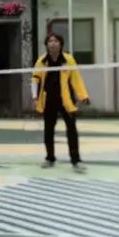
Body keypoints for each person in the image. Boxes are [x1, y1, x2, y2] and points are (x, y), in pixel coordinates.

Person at [31, 33, 90, 171]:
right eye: (50, 41)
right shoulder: (41, 61)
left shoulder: (68, 60)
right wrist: (34, 97)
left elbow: (76, 78)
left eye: (56, 41)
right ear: (47, 45)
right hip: (48, 99)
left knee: (72, 129)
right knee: (48, 130)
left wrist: (83, 96)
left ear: (61, 44)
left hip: (66, 100)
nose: (53, 44)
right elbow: (35, 79)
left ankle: (76, 160)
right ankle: (50, 158)